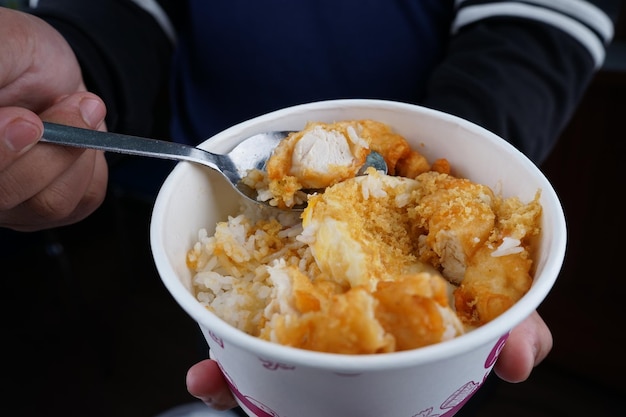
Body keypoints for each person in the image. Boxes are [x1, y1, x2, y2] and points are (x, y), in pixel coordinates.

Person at [0, 0, 620, 414]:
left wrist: (468, 142)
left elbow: (542, 15)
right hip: (193, 182)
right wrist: (75, 69)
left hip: (457, 131)